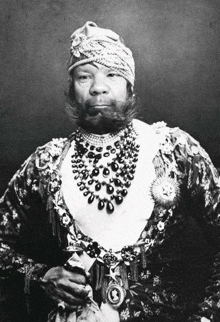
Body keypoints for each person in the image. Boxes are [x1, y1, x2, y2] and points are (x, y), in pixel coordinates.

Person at [0, 21, 219, 322]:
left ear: (130, 87)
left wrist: (207, 316)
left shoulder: (174, 151)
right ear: (71, 89)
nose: (98, 87)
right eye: (84, 76)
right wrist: (40, 275)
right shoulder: (46, 162)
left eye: (112, 74)